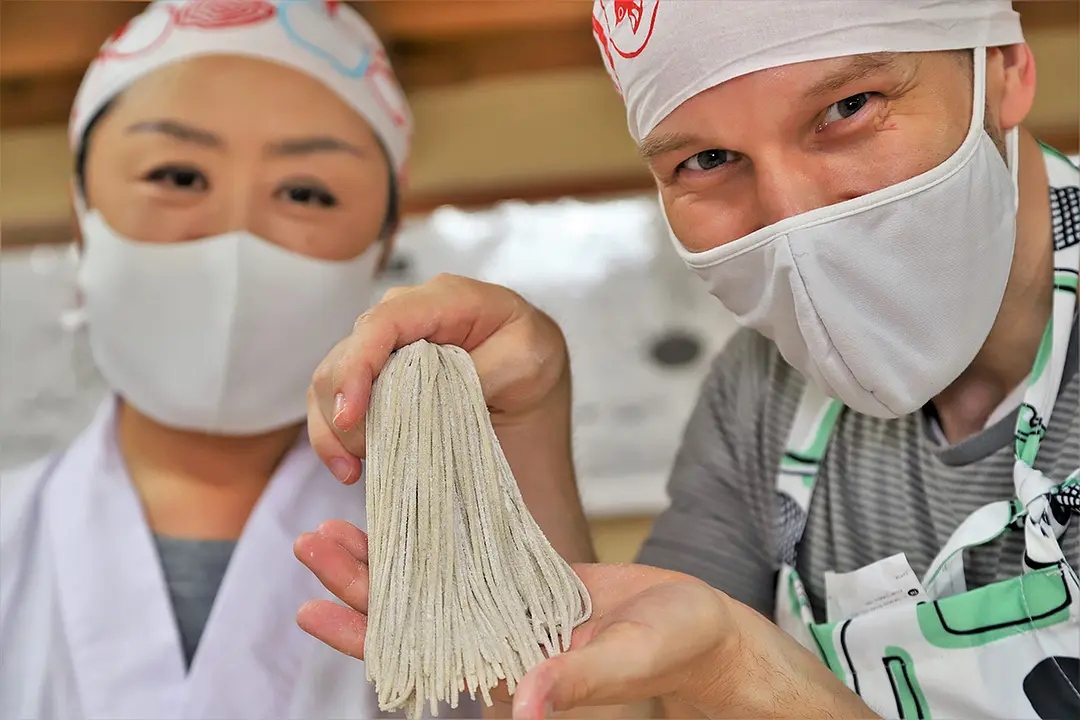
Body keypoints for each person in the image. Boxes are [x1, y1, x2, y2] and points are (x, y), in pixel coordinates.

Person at [300, 0, 1080, 717]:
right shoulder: (759, 397)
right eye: (706, 160)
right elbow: (614, 711)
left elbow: (713, 667)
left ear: (1005, 69)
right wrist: (529, 413)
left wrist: (739, 667)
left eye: (850, 107)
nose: (791, 213)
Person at [0, 1, 436, 718]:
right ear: (84, 214)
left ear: (384, 245)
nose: (235, 241)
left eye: (306, 192)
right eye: (176, 176)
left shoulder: (454, 551)